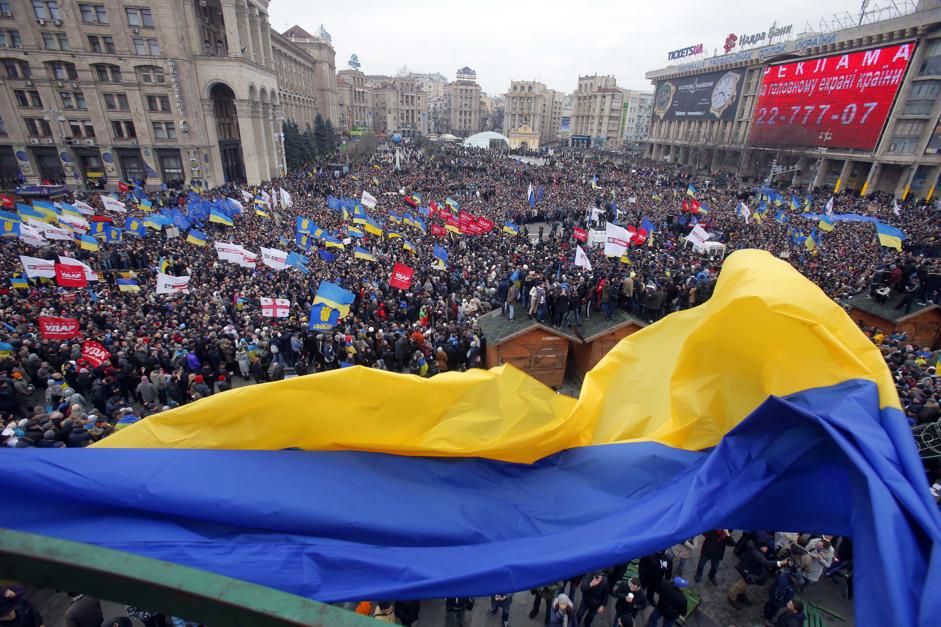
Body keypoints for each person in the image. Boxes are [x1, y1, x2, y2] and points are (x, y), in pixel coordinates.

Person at [728, 536, 787, 609]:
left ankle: (741, 594)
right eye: (765, 547)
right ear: (760, 547)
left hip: (749, 569)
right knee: (740, 585)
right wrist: (781, 562)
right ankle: (732, 597)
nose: (766, 548)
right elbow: (765, 562)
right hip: (748, 571)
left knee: (744, 585)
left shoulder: (755, 548)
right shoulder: (757, 554)